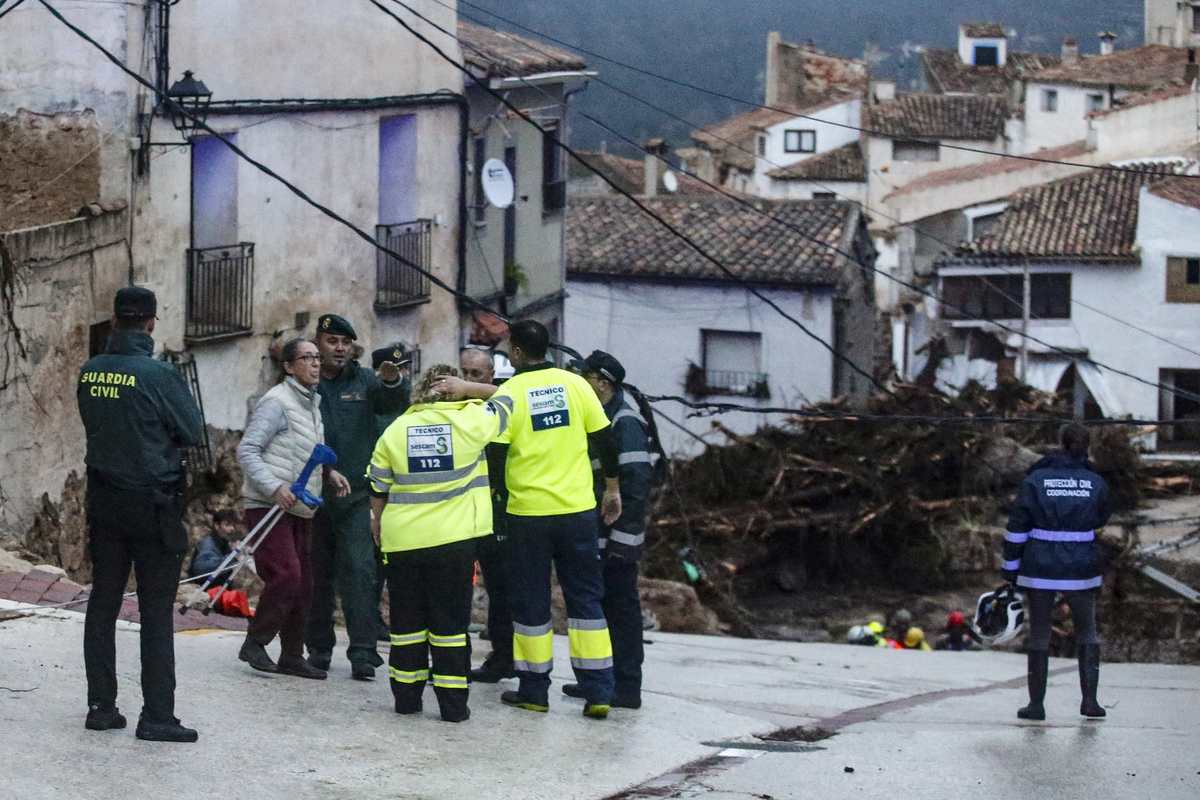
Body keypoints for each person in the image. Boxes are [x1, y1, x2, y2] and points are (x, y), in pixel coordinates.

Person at [434, 320, 622, 718]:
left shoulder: (512, 392)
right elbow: (606, 438)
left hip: (528, 516)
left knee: (531, 603)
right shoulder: (576, 385)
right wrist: (612, 489)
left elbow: (497, 455)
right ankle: (599, 691)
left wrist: (497, 506)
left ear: (517, 353)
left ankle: (534, 690)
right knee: (586, 599)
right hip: (576, 513)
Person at [77, 286, 204, 742]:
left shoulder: (90, 371)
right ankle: (157, 716)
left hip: (104, 502)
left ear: (114, 321)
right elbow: (191, 429)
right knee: (154, 611)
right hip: (153, 505)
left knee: (103, 604)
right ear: (151, 323)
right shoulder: (159, 376)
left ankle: (101, 706)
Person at [368, 365, 512, 722]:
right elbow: (512, 398)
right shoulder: (472, 421)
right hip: (453, 544)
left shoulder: (396, 429)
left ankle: (406, 700)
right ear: (457, 390)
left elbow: (377, 488)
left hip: (402, 543)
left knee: (406, 626)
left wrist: (378, 524)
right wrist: (470, 387)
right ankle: (451, 707)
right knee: (449, 627)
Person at [238, 338, 351, 680]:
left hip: (301, 505)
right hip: (269, 505)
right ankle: (255, 642)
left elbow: (305, 448)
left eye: (317, 358)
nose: (316, 364)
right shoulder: (276, 403)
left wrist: (329, 472)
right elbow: (247, 451)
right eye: (307, 358)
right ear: (288, 366)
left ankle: (292, 655)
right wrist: (274, 487)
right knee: (287, 575)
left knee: (305, 584)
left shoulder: (310, 403)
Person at [305, 314, 410, 680]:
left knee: (360, 574)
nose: (339, 349)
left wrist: (394, 380)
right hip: (312, 497)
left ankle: (363, 653)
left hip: (356, 498)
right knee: (316, 576)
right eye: (332, 341)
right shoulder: (308, 381)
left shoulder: (365, 381)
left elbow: (393, 402)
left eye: (345, 343)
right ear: (318, 342)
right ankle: (317, 648)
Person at [560, 350, 654, 709]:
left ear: (603, 383)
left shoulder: (624, 422)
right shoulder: (598, 415)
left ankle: (626, 687)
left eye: (586, 378)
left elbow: (635, 485)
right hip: (597, 533)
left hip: (615, 541)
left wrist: (622, 543)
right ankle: (600, 681)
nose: (581, 382)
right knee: (599, 610)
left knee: (621, 610)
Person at [1003, 422, 1111, 721]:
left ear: (1060, 444)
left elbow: (1017, 528)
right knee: (1087, 631)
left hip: (1040, 564)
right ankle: (1090, 702)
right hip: (1081, 565)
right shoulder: (1095, 481)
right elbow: (1102, 517)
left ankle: (1036, 705)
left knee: (1039, 634)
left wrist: (1010, 569)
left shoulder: (1036, 480)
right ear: (1086, 447)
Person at [459, 347, 516, 683]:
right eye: (464, 373)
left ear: (490, 377)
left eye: (476, 375)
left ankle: (503, 657)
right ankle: (455, 658)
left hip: (496, 512)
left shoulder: (502, 407)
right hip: (456, 511)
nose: (468, 381)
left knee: (500, 588)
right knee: (456, 587)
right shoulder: (450, 407)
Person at [188, 508, 241, 587]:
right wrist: (232, 556)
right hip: (205, 591)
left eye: (233, 525)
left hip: (220, 591)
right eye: (227, 525)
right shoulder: (208, 543)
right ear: (217, 526)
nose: (232, 529)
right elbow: (202, 568)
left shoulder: (225, 544)